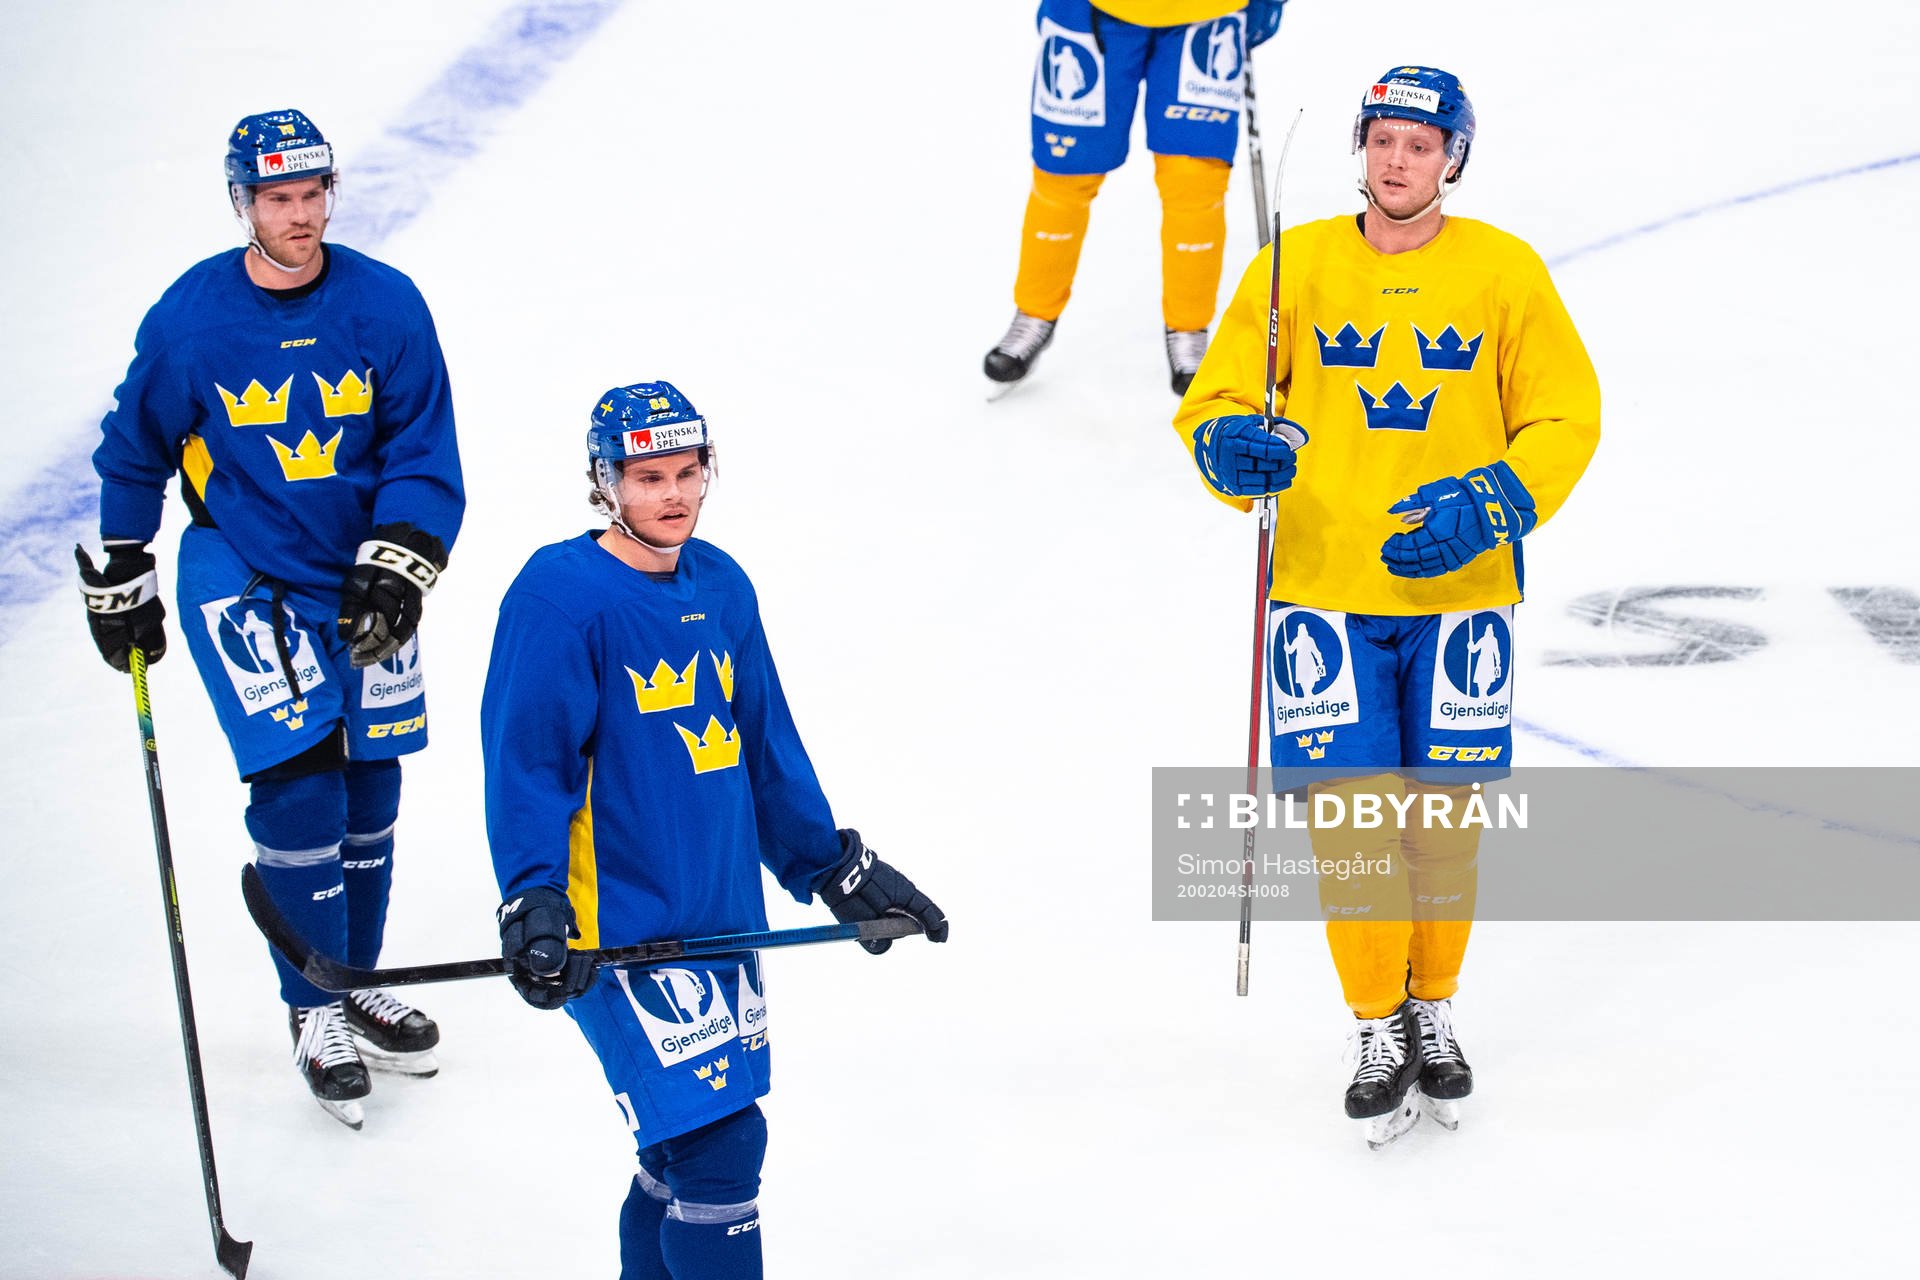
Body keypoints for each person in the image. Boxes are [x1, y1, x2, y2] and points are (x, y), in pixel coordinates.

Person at [1171, 67, 1601, 1143]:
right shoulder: (1293, 264)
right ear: (1361, 148)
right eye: (1383, 139)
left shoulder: (1503, 271)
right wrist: (1231, 449)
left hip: (1463, 602)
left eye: (1423, 142)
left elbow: (1565, 416)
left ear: (1455, 156)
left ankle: (1434, 1008)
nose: (1398, 159)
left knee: (1443, 828)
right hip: (1319, 594)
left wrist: (1496, 498)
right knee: (1357, 831)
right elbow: (1218, 403)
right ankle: (1376, 1022)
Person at [479, 382, 948, 1278]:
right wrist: (532, 897)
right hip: (612, 931)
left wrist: (834, 868)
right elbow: (526, 764)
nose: (675, 495)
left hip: (718, 920)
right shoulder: (560, 597)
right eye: (649, 476)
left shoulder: (722, 584)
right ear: (605, 483)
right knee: (721, 1147)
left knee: (676, 1157)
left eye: (690, 472)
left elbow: (764, 745)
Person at [78, 109, 465, 1130]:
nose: (300, 216)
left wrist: (403, 558)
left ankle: (349, 972)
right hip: (243, 570)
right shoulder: (192, 320)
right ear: (243, 202)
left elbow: (424, 447)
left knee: (371, 782)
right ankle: (312, 1007)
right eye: (277, 198)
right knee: (300, 792)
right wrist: (124, 563)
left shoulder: (386, 305)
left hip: (362, 571)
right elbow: (134, 450)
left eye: (312, 194)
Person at [983, 0, 1286, 394]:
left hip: (1208, 13)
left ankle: (1188, 328)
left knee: (1195, 182)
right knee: (1063, 176)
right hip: (1090, 13)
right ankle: (1034, 314)